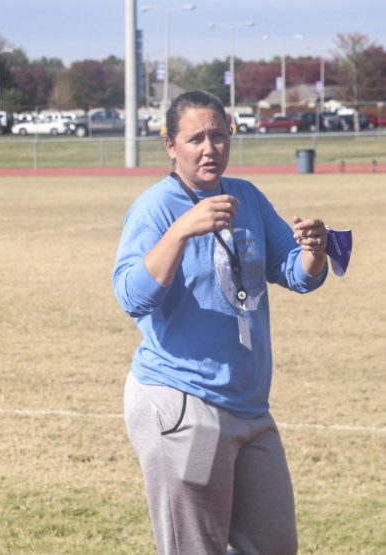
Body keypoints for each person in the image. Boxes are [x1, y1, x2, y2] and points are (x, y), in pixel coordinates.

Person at [112, 90, 329, 555]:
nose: (209, 148)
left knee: (274, 545)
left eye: (219, 135)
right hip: (184, 403)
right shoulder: (156, 207)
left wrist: (314, 251)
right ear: (170, 145)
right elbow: (132, 297)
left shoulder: (245, 195)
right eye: (195, 139)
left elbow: (293, 272)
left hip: (250, 406)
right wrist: (181, 230)